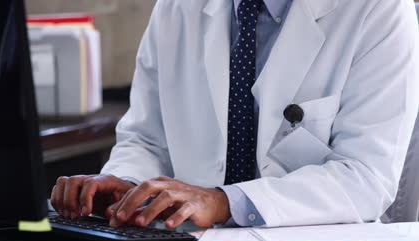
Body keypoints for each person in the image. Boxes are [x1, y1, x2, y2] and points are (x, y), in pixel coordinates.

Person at [50, 0, 419, 229]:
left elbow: (364, 177)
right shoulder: (177, 7)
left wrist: (225, 201)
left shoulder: (378, 8)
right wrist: (128, 184)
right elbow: (147, 138)